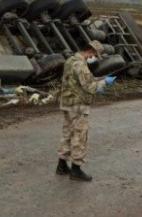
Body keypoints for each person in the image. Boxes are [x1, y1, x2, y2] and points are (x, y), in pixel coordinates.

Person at [55, 40, 116, 181]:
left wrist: (101, 78)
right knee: (80, 136)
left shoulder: (71, 60)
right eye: (93, 55)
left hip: (67, 103)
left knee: (67, 134)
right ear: (90, 52)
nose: (92, 58)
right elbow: (89, 86)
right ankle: (76, 169)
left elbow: (83, 79)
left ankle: (62, 165)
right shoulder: (81, 65)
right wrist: (103, 84)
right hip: (78, 106)